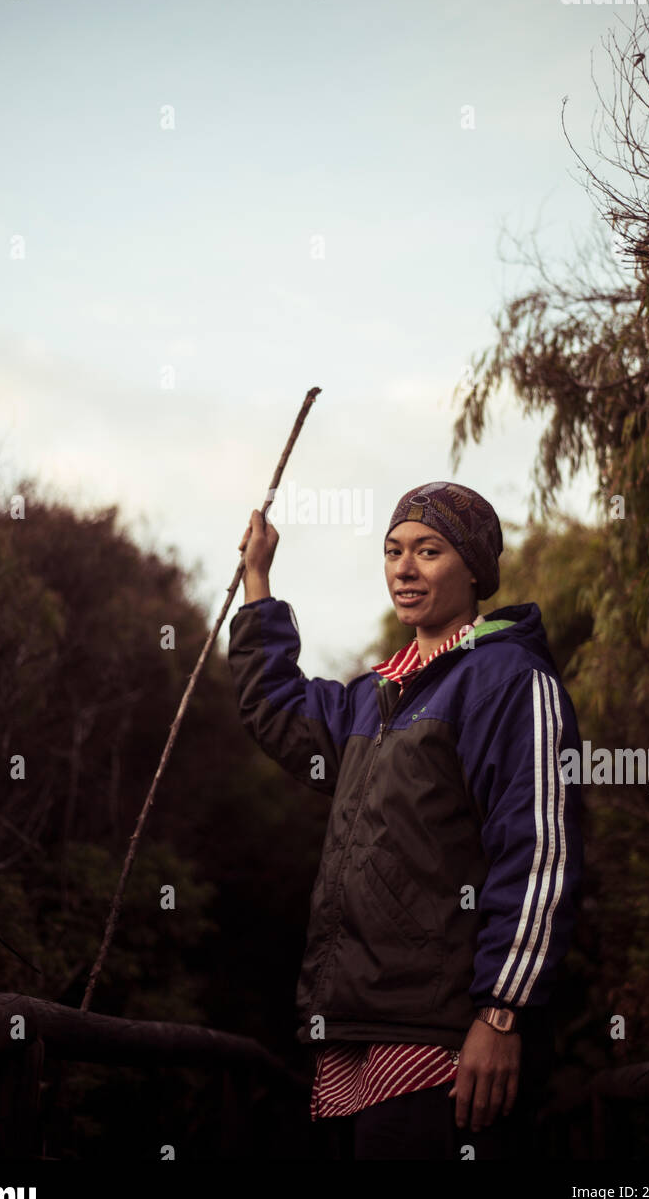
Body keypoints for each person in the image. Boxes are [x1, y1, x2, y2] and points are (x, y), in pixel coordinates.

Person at [228, 480, 584, 1161]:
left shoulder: (508, 680)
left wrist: (499, 1014)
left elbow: (539, 852)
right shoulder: (374, 696)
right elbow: (277, 710)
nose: (404, 567)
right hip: (356, 1029)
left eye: (428, 550)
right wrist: (257, 581)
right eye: (393, 550)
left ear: (474, 568)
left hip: (446, 1042)